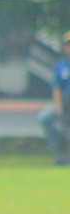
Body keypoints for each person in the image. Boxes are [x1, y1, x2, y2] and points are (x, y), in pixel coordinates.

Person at [43, 30, 70, 165]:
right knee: (45, 118)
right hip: (65, 104)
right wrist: (59, 108)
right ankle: (59, 151)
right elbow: (57, 88)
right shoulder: (61, 66)